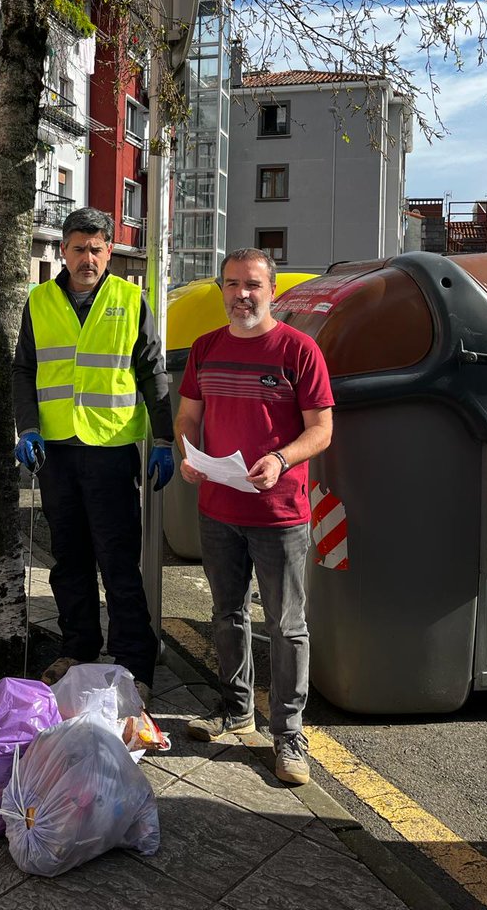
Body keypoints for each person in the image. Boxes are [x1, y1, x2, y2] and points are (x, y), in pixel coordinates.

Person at [175, 248, 332, 784]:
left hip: (280, 512)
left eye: (253, 285)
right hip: (218, 508)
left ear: (270, 292)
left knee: (287, 626)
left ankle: (289, 736)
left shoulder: (299, 350)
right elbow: (189, 415)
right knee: (227, 616)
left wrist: (283, 458)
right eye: (232, 284)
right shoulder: (205, 349)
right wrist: (189, 454)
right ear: (222, 289)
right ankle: (235, 711)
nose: (242, 294)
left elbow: (322, 429)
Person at [12, 207, 175, 705]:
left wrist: (164, 441)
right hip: (57, 452)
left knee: (118, 562)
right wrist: (29, 428)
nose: (88, 258)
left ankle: (134, 661)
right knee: (69, 561)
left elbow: (153, 372)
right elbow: (23, 370)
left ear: (109, 251)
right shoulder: (39, 301)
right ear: (63, 250)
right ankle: (78, 648)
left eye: (97, 249)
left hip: (109, 451)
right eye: (79, 248)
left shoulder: (130, 299)